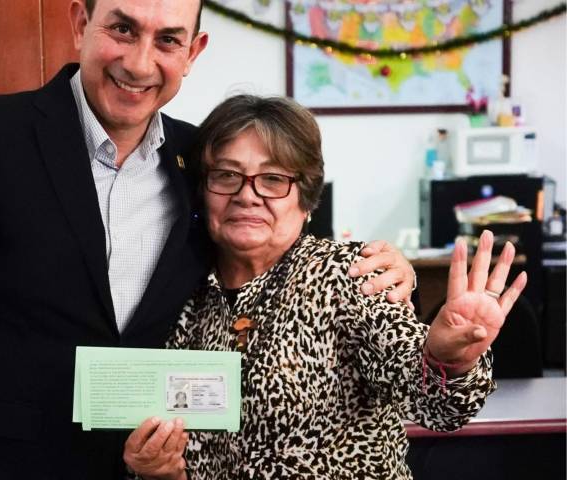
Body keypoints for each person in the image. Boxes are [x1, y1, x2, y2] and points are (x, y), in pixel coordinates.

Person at [0, 2, 414, 479]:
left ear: (193, 52)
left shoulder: (201, 162)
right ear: (80, 22)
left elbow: (269, 241)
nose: (139, 62)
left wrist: (386, 265)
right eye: (122, 29)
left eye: (168, 40)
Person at [123, 95, 528, 479]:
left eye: (273, 179)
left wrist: (447, 360)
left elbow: (437, 408)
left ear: (306, 200)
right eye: (227, 175)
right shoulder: (181, 293)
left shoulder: (351, 276)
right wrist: (163, 472)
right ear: (202, 190)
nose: (247, 195)